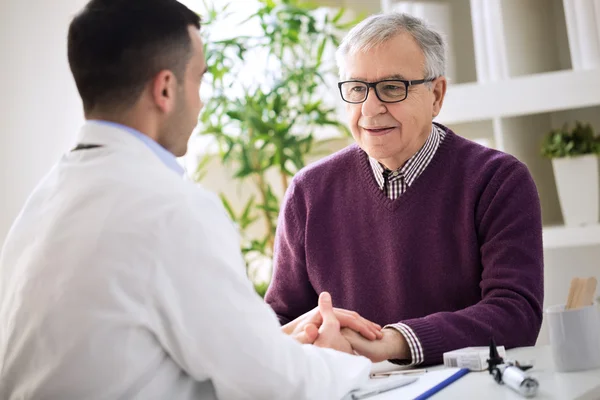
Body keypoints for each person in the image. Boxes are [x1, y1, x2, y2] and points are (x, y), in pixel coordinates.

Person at [0, 1, 384, 399]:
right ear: (165, 89)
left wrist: (266, 344)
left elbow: (138, 354)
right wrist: (344, 361)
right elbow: (274, 385)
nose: (201, 103)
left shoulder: (42, 203)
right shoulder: (170, 207)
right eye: (199, 80)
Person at [265, 12, 544, 366]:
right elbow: (279, 320)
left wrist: (394, 341)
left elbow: (515, 315)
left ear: (436, 95)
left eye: (392, 88)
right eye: (356, 89)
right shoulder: (308, 191)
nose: (370, 108)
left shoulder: (498, 180)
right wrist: (303, 334)